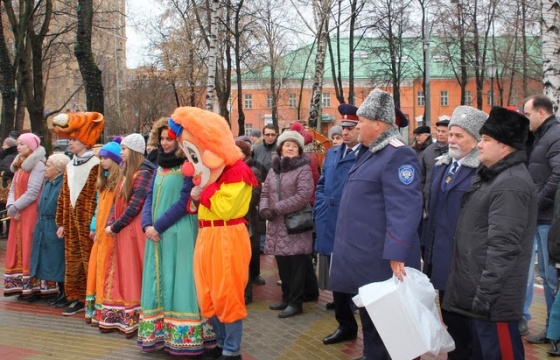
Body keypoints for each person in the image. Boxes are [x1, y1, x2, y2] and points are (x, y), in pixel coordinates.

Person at [329, 89, 422, 359]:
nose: (357, 126)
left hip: (383, 263)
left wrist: (397, 253)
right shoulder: (371, 153)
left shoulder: (397, 155)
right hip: (366, 259)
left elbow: (405, 208)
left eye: (361, 121)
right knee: (372, 326)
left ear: (378, 125)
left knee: (393, 332)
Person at [442, 106, 537, 359]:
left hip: (493, 303)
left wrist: (485, 297)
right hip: (478, 298)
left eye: (486, 140)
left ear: (504, 147)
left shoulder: (511, 184)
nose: (480, 145)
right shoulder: (493, 176)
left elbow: (504, 248)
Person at [170, 107, 258, 360]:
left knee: (227, 293)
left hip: (227, 235)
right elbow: (199, 208)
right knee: (207, 292)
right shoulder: (208, 174)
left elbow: (225, 208)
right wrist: (197, 196)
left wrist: (204, 192)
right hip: (207, 236)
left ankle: (232, 350)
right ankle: (220, 343)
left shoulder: (238, 172)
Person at [138, 118, 215, 355]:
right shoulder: (158, 165)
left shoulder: (188, 167)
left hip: (179, 230)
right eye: (161, 138)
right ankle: (161, 334)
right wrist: (146, 224)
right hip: (156, 234)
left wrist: (157, 227)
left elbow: (184, 203)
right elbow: (149, 195)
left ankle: (184, 337)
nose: (164, 143)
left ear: (179, 141)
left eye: (169, 139)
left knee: (180, 279)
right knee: (158, 279)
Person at [421, 106, 487, 359]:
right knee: (450, 318)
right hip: (440, 258)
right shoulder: (442, 166)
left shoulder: (481, 172)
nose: (451, 140)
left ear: (476, 139)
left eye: (459, 136)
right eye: (451, 134)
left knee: (467, 328)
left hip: (464, 263)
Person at [315, 103, 362, 345]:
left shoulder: (366, 154)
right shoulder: (333, 153)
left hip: (352, 223)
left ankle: (367, 330)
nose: (345, 132)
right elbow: (322, 182)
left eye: (351, 127)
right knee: (337, 277)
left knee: (357, 279)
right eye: (343, 127)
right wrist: (320, 205)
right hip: (329, 220)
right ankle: (345, 325)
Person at [100, 133, 155, 337]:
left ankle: (136, 317)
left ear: (133, 152)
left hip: (133, 231)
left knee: (133, 271)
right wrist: (111, 222)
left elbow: (135, 204)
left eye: (123, 149)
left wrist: (116, 226)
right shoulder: (126, 173)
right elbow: (118, 202)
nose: (121, 153)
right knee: (123, 270)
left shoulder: (143, 173)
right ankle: (122, 314)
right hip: (124, 229)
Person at [53, 111, 105, 315]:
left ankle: (91, 296)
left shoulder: (96, 165)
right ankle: (74, 295)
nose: (70, 144)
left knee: (89, 260)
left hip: (88, 223)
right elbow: (64, 196)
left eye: (74, 139)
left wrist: (94, 222)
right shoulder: (69, 166)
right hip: (71, 222)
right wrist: (62, 222)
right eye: (69, 140)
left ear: (85, 140)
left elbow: (98, 197)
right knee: (72, 260)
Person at [260, 130, 314, 319]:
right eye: (286, 145)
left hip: (295, 225)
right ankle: (286, 297)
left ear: (299, 149)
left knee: (297, 265)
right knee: (282, 264)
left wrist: (276, 209)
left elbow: (303, 196)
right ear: (280, 148)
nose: (290, 148)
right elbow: (265, 192)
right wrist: (264, 208)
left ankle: (296, 302)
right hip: (277, 225)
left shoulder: (304, 169)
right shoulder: (273, 170)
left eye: (293, 145)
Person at [523, 94, 560, 344]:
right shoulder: (538, 136)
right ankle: (550, 329)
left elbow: (558, 174)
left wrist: (537, 201)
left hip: (548, 219)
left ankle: (553, 330)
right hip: (539, 218)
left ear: (541, 112)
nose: (526, 120)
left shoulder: (555, 135)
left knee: (550, 277)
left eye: (527, 114)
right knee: (543, 276)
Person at [3, 133, 47, 299]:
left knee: (29, 245)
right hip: (18, 212)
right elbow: (13, 188)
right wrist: (10, 206)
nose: (18, 147)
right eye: (19, 143)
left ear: (31, 147)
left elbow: (33, 191)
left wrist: (16, 206)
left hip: (30, 211)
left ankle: (33, 286)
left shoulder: (38, 165)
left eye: (22, 144)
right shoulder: (20, 164)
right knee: (18, 245)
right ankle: (20, 284)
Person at [85, 139, 122, 324]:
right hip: (99, 233)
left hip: (110, 233)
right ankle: (97, 307)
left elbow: (116, 208)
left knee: (108, 269)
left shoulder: (118, 184)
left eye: (106, 158)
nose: (102, 162)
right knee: (97, 268)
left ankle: (107, 307)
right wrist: (93, 227)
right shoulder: (103, 183)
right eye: (101, 158)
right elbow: (98, 208)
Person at [29, 154, 71, 306]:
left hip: (55, 225)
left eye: (48, 166)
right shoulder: (48, 182)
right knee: (48, 257)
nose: (45, 169)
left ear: (58, 169)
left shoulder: (62, 184)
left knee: (58, 259)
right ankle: (60, 292)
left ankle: (66, 293)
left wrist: (62, 224)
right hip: (44, 224)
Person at [235, 139, 263, 304]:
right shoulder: (233, 168)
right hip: (237, 220)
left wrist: (236, 209)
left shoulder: (252, 170)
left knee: (244, 259)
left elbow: (254, 196)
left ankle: (247, 294)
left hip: (246, 220)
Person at [419, 119, 450, 209]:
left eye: (443, 131)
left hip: (446, 199)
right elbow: (421, 177)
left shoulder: (455, 152)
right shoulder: (428, 152)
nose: (440, 134)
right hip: (429, 199)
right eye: (438, 131)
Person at [0, 137, 18, 237]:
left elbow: (9, 170)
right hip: (7, 188)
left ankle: (7, 233)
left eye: (4, 144)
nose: (3, 146)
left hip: (5, 187)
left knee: (5, 209)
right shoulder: (11, 156)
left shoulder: (9, 157)